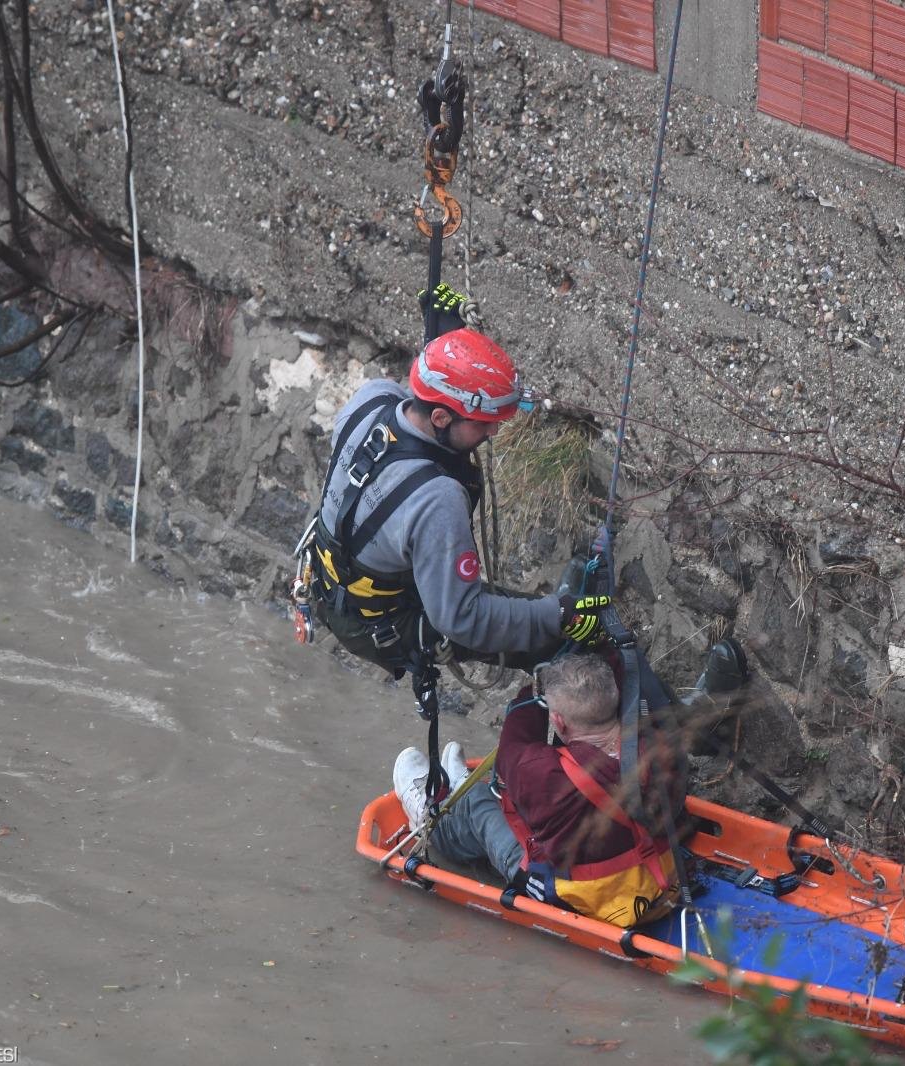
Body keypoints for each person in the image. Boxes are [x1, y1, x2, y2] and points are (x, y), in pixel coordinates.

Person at [297, 326, 614, 687]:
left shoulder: (372, 398)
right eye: (484, 424)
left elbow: (424, 392)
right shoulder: (437, 497)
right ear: (441, 419)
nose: (493, 432)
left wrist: (448, 348)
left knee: (532, 616)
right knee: (570, 643)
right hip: (388, 622)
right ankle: (667, 721)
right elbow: (462, 618)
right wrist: (556, 615)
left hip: (330, 584)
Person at [391, 645, 747, 928]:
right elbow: (628, 662)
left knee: (480, 805)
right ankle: (456, 788)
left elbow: (516, 734)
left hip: (582, 895)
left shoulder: (542, 772)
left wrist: (536, 687)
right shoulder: (661, 744)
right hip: (657, 875)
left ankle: (429, 816)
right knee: (519, 801)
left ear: (557, 719)